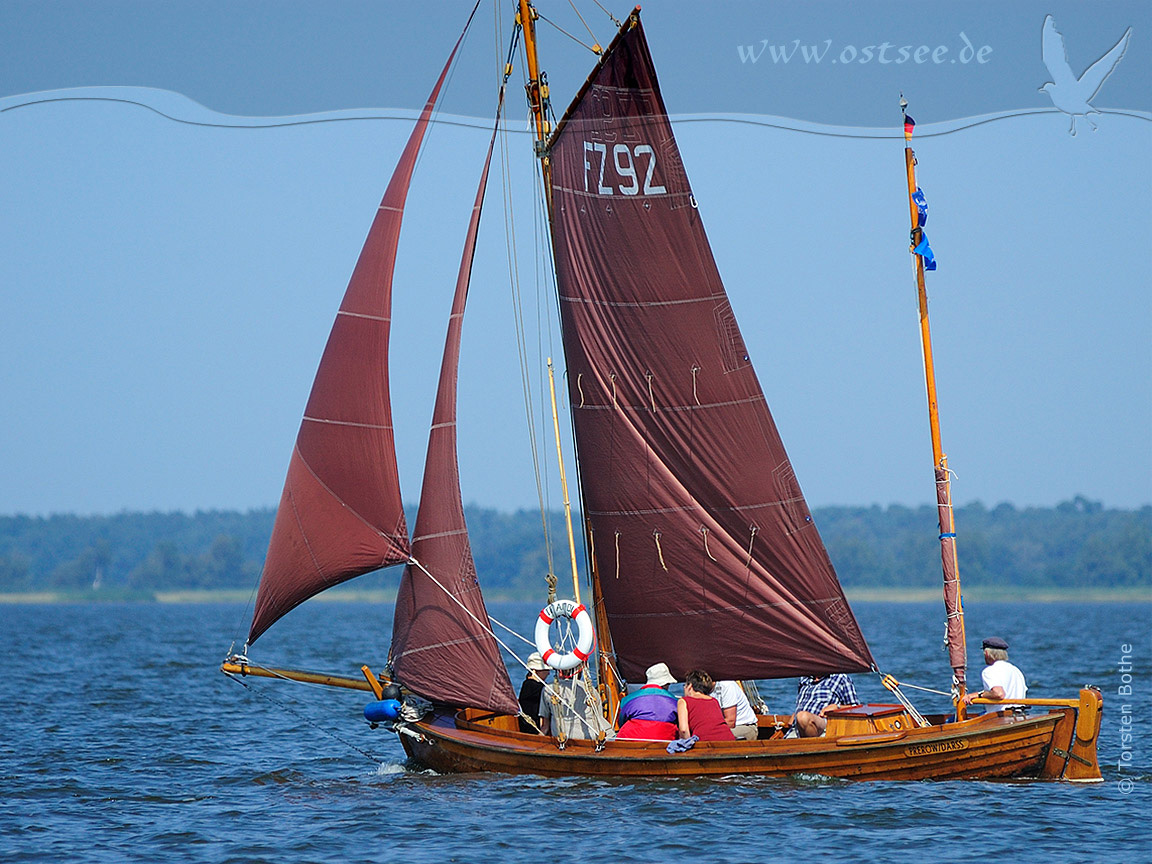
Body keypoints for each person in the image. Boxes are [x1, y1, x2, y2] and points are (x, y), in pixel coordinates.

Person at [539, 667, 615, 740]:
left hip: (563, 740)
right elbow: (599, 717)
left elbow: (544, 726)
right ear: (579, 672)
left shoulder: (548, 690)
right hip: (594, 737)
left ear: (560, 672)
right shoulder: (590, 690)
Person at [962, 637, 1027, 712]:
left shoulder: (989, 670)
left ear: (986, 654)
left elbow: (998, 693)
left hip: (1000, 717)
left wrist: (978, 695)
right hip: (1020, 715)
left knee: (950, 721)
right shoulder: (1016, 670)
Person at [616, 662, 679, 741]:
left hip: (630, 740)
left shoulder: (628, 699)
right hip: (664, 740)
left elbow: (621, 722)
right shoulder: (675, 701)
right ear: (665, 684)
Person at [676, 670, 736, 742]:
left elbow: (683, 730)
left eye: (685, 685)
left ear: (690, 686)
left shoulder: (684, 701)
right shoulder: (713, 701)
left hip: (704, 742)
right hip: (727, 739)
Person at [793, 673, 859, 737]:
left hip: (823, 724)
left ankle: (811, 745)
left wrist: (837, 707)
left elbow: (856, 708)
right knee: (801, 717)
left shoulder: (840, 678)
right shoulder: (804, 679)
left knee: (803, 717)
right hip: (796, 728)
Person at [517, 652, 550, 733]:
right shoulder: (531, 686)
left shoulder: (530, 685)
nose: (548, 673)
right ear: (535, 670)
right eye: (545, 670)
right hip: (532, 730)